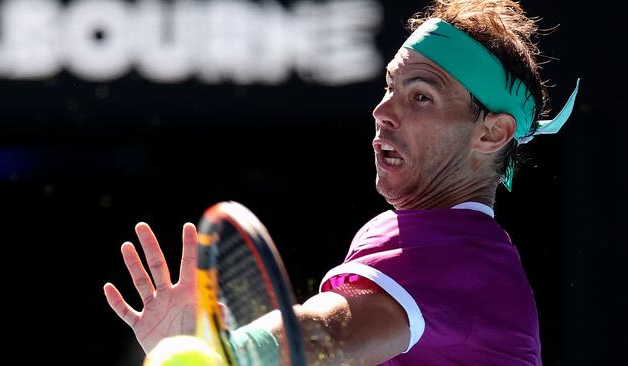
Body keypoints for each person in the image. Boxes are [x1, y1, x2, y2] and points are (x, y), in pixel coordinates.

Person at [104, 0, 579, 365]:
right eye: (390, 87)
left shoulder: (457, 257)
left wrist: (232, 350)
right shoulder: (436, 244)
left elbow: (325, 334)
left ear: (492, 133)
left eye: (420, 97)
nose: (383, 111)